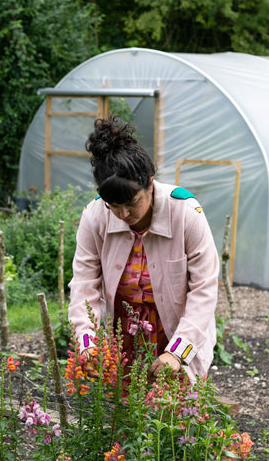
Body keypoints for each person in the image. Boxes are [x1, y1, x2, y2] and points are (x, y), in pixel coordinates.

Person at [68, 116, 219, 383]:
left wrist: (178, 353)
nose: (123, 213)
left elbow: (204, 289)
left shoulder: (184, 213)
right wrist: (88, 346)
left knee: (170, 419)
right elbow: (84, 286)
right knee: (125, 418)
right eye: (113, 205)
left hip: (179, 336)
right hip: (120, 341)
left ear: (150, 183)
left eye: (131, 203)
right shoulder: (95, 217)